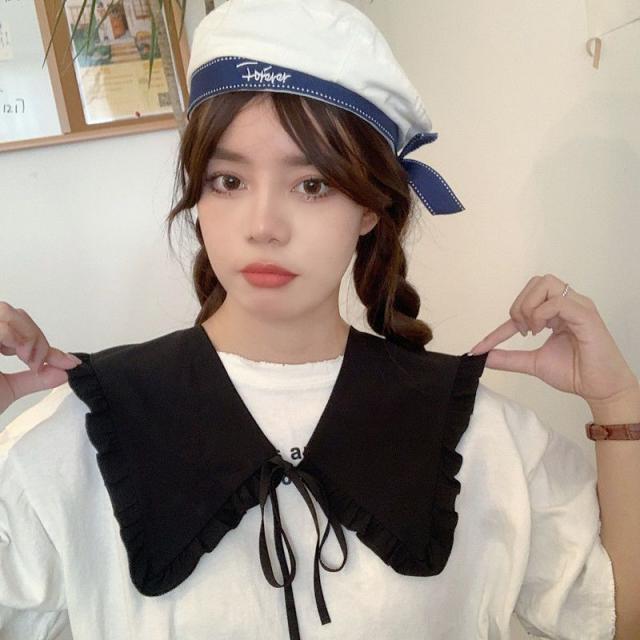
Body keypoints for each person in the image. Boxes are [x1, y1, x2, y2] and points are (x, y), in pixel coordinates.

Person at [1, 1, 639, 639]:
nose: (263, 226)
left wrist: (617, 403)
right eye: (228, 180)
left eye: (312, 185)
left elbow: (615, 618)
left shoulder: (484, 438)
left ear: (370, 207)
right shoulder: (77, 437)